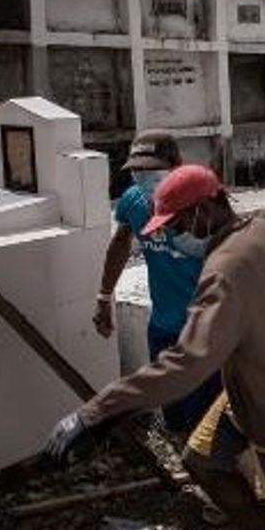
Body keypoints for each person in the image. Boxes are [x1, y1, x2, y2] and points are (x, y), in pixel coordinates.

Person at [47, 165, 265, 530]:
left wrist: (96, 411)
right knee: (201, 460)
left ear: (205, 210)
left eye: (176, 226)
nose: (175, 236)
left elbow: (186, 364)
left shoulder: (224, 271)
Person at [92, 130, 220, 432]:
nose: (143, 178)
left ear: (176, 166)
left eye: (152, 171)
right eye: (137, 171)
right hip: (163, 327)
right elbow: (121, 241)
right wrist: (103, 296)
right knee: (174, 417)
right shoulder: (134, 201)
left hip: (205, 330)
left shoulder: (205, 204)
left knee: (205, 423)